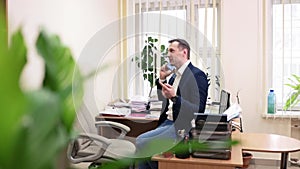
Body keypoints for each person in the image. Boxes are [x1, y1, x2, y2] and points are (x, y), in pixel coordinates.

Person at [135, 38, 209, 169]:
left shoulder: (197, 75)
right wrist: (162, 79)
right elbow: (162, 100)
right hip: (167, 122)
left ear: (184, 52)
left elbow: (199, 109)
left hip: (181, 127)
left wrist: (175, 98)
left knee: (141, 142)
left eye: (172, 50)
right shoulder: (175, 75)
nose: (168, 54)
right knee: (142, 146)